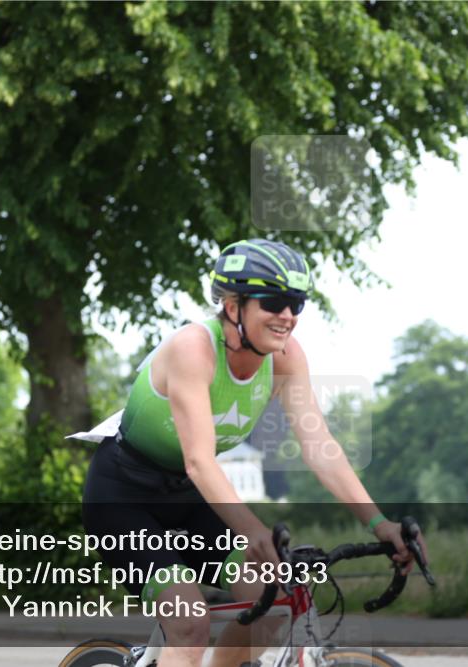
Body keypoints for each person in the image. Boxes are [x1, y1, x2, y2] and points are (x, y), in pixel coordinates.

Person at [82, 239, 430, 667]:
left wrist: (379, 523)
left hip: (191, 502)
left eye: (296, 304)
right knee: (189, 624)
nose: (287, 315)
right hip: (124, 500)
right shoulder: (194, 349)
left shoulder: (285, 358)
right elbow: (199, 460)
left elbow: (320, 448)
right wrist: (253, 531)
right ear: (233, 305)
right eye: (274, 301)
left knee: (274, 603)